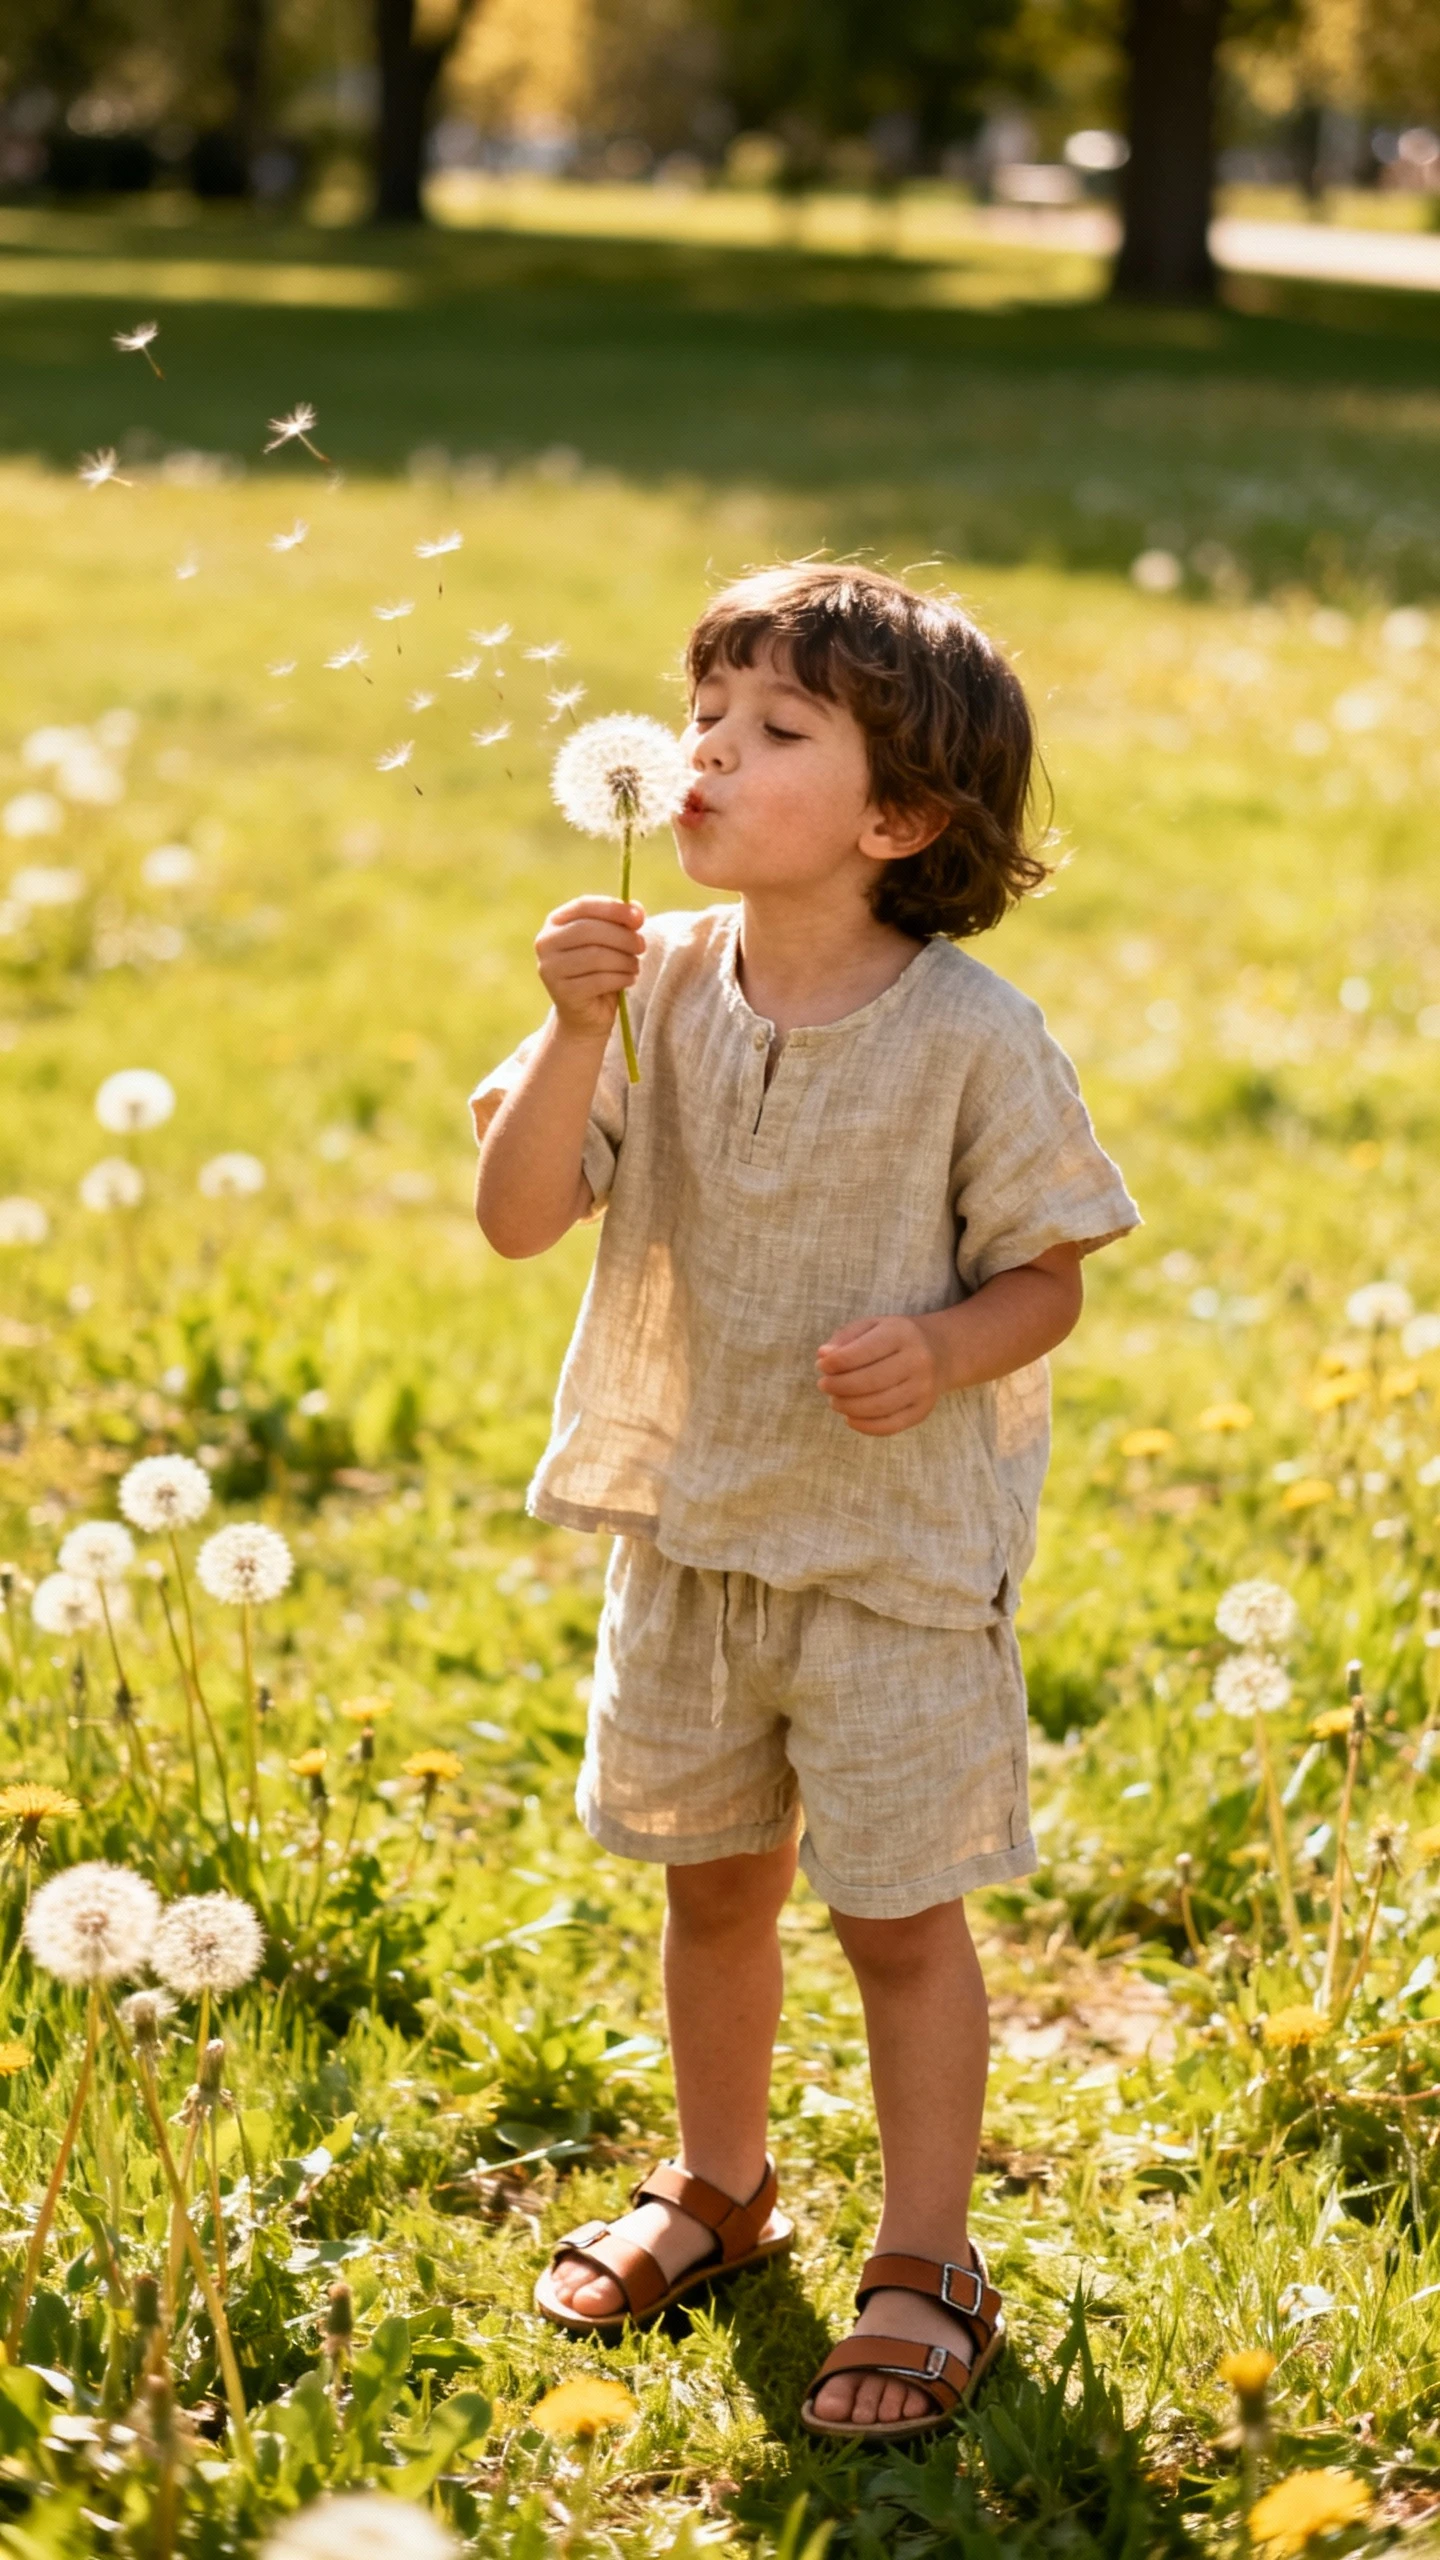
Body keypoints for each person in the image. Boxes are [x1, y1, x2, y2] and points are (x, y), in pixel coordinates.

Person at [471, 562, 1138, 2441]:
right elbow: (521, 1217)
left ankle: (929, 2257)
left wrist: (943, 1350)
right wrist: (572, 1033)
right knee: (714, 1891)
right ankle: (723, 2184)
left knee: (899, 1918)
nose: (704, 758)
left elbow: (1051, 1275)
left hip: (892, 1565)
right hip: (695, 1538)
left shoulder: (972, 1038)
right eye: (699, 721)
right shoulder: (647, 982)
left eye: (773, 734)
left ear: (897, 818)